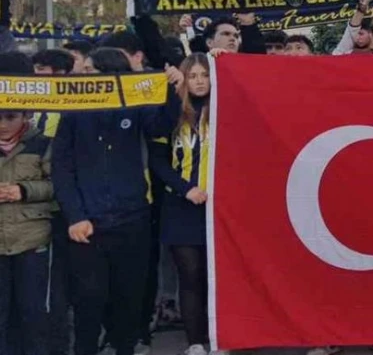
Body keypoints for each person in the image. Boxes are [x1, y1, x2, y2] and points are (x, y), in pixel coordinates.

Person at [52, 47, 170, 355]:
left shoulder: (135, 106)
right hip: (87, 224)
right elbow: (61, 169)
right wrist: (75, 215)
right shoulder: (73, 112)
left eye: (89, 70)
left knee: (128, 300)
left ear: (110, 71)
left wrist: (170, 88)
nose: (83, 75)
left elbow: (161, 126)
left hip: (132, 221)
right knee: (88, 301)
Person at [148, 54, 218, 355]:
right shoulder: (172, 112)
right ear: (183, 80)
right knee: (190, 275)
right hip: (181, 206)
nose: (200, 81)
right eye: (193, 76)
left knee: (217, 277)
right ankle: (195, 342)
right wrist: (186, 188)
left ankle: (219, 336)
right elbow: (157, 162)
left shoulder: (225, 110)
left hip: (221, 209)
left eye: (205, 75)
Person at [0, 52, 53, 355]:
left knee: (33, 314)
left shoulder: (41, 143)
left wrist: (23, 190)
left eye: (11, 116)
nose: (4, 124)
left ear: (26, 115)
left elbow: (58, 186)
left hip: (32, 241)